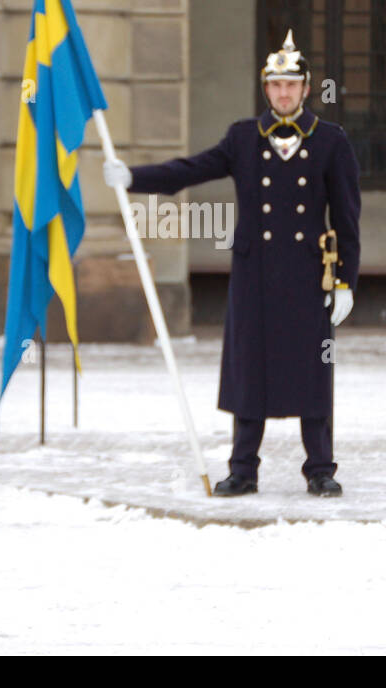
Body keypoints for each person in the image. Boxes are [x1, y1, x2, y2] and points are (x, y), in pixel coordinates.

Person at [104, 32, 361, 496]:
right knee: (250, 369)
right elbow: (191, 170)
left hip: (308, 275)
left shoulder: (330, 141)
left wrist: (345, 281)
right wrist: (134, 177)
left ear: (306, 88)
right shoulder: (244, 138)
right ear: (266, 89)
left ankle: (321, 467)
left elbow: (347, 219)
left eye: (292, 85)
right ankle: (243, 468)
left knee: (312, 371)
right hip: (255, 275)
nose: (284, 93)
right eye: (276, 85)